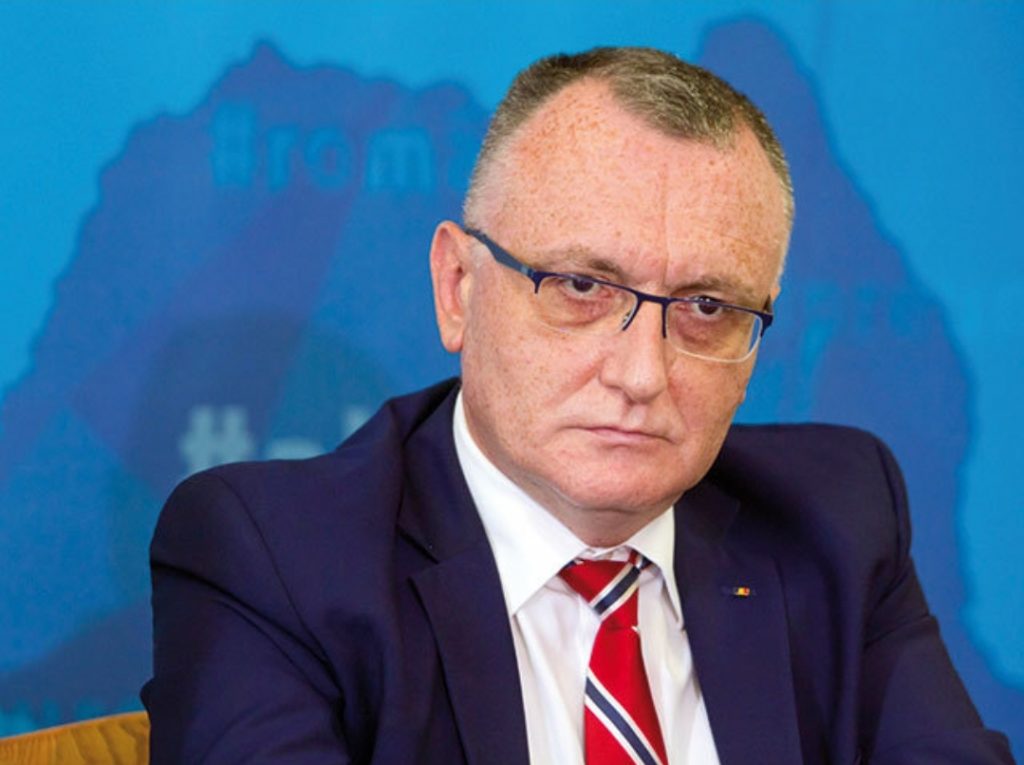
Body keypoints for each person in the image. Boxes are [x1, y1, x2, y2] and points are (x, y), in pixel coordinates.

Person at [142, 47, 1014, 764]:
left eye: (706, 306)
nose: (642, 374)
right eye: (582, 287)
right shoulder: (272, 559)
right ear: (457, 287)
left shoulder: (837, 522)